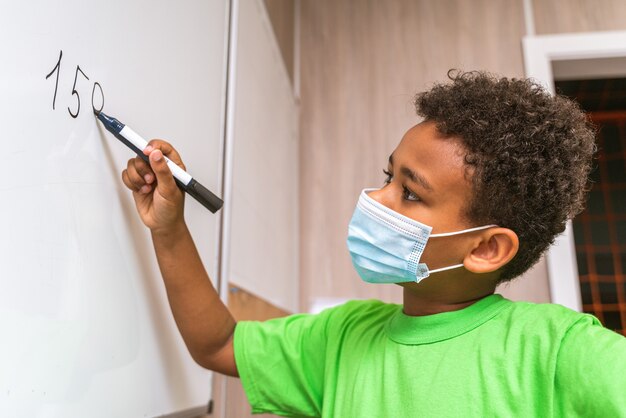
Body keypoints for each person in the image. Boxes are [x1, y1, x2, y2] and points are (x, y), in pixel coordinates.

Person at [121, 71, 626, 417]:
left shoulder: (557, 350)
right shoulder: (344, 337)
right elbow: (219, 345)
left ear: (486, 249)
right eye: (387, 175)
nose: (374, 199)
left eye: (409, 192)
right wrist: (169, 228)